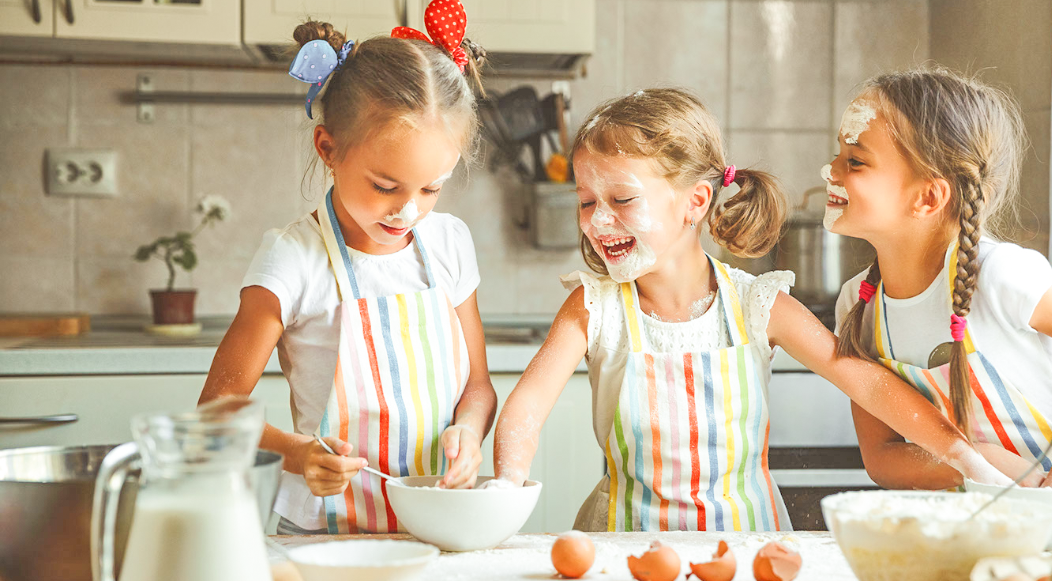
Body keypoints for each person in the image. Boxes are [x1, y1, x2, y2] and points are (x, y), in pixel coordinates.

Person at [492, 88, 1011, 532]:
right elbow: (525, 411)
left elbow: (869, 384)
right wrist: (503, 490)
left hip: (748, 545)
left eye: (623, 200)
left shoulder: (758, 304)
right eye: (586, 201)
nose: (599, 221)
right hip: (623, 546)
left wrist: (965, 460)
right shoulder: (592, 307)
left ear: (695, 202)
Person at [199, 1, 496, 534]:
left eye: (432, 188)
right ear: (328, 148)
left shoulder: (449, 243)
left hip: (435, 523)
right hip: (323, 534)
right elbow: (217, 412)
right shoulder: (292, 259)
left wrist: (470, 433)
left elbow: (477, 387)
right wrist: (298, 453)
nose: (409, 210)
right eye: (385, 186)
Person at [828, 68, 1052, 490]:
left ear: (928, 196)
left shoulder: (1000, 275)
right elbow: (882, 458)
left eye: (854, 161)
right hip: (959, 526)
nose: (830, 170)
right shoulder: (857, 301)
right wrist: (975, 463)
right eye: (838, 154)